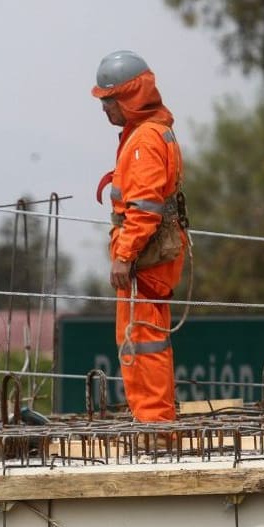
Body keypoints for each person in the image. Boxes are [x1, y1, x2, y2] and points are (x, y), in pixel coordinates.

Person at [92, 50, 188, 422]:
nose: (105, 110)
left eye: (109, 100)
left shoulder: (144, 142)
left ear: (130, 97)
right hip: (153, 259)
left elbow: (145, 209)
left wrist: (124, 255)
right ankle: (154, 422)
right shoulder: (150, 133)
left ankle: (155, 426)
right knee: (148, 341)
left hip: (144, 261)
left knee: (143, 343)